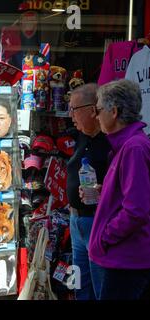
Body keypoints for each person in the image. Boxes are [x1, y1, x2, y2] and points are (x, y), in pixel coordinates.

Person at [88, 79, 150, 300]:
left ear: (113, 112)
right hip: (125, 259)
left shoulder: (133, 147)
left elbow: (136, 210)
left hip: (126, 262)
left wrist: (105, 237)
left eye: (97, 110)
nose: (95, 116)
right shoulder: (129, 145)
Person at [66, 83, 111, 300]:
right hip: (76, 222)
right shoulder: (81, 135)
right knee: (81, 286)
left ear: (92, 110)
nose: (70, 115)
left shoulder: (113, 143)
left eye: (74, 109)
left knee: (100, 287)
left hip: (97, 224)